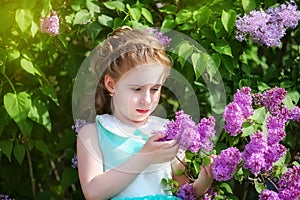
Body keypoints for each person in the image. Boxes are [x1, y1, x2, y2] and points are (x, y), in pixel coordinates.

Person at [76, 26, 214, 200]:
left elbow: (182, 190)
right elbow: (93, 192)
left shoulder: (167, 130)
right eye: (137, 89)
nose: (147, 100)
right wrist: (144, 157)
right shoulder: (92, 134)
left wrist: (203, 182)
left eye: (155, 89)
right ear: (111, 85)